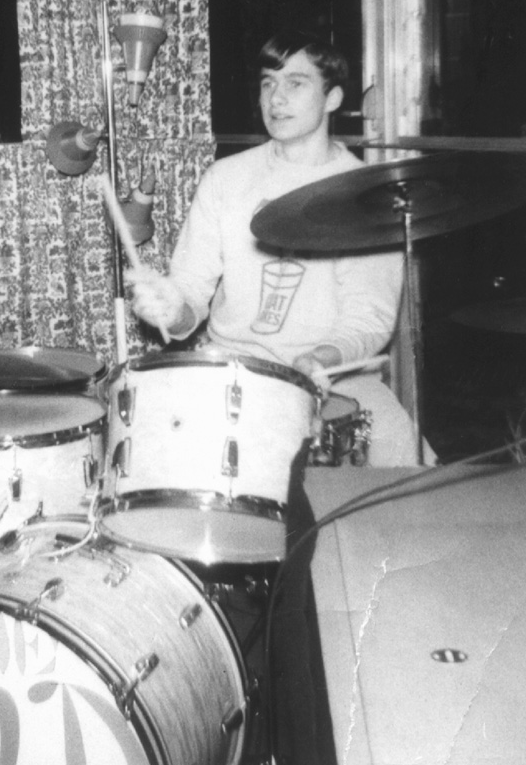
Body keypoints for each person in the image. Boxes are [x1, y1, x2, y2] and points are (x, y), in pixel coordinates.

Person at [128, 29, 430, 467]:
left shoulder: (367, 194)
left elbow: (369, 319)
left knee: (405, 467)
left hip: (337, 375)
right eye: (268, 83)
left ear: (333, 98)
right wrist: (170, 308)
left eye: (295, 83)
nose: (276, 98)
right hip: (237, 371)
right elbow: (191, 291)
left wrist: (319, 358)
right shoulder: (225, 179)